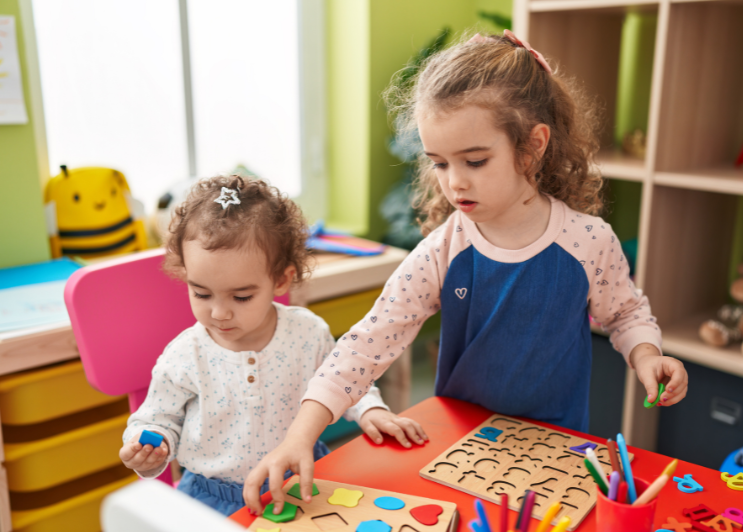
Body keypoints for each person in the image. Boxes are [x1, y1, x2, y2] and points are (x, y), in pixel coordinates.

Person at [243, 30, 688, 514]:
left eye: (475, 161)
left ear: (532, 146)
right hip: (461, 443)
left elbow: (624, 314)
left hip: (558, 446)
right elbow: (369, 341)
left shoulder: (588, 241)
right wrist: (300, 435)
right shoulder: (444, 248)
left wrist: (647, 356)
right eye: (438, 163)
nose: (454, 181)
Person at [119, 175, 426, 516]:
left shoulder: (306, 331)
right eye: (201, 293)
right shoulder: (183, 355)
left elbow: (342, 378)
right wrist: (150, 444)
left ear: (281, 280)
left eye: (242, 296)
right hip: (211, 499)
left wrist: (371, 409)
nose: (219, 312)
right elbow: (158, 419)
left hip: (303, 482)